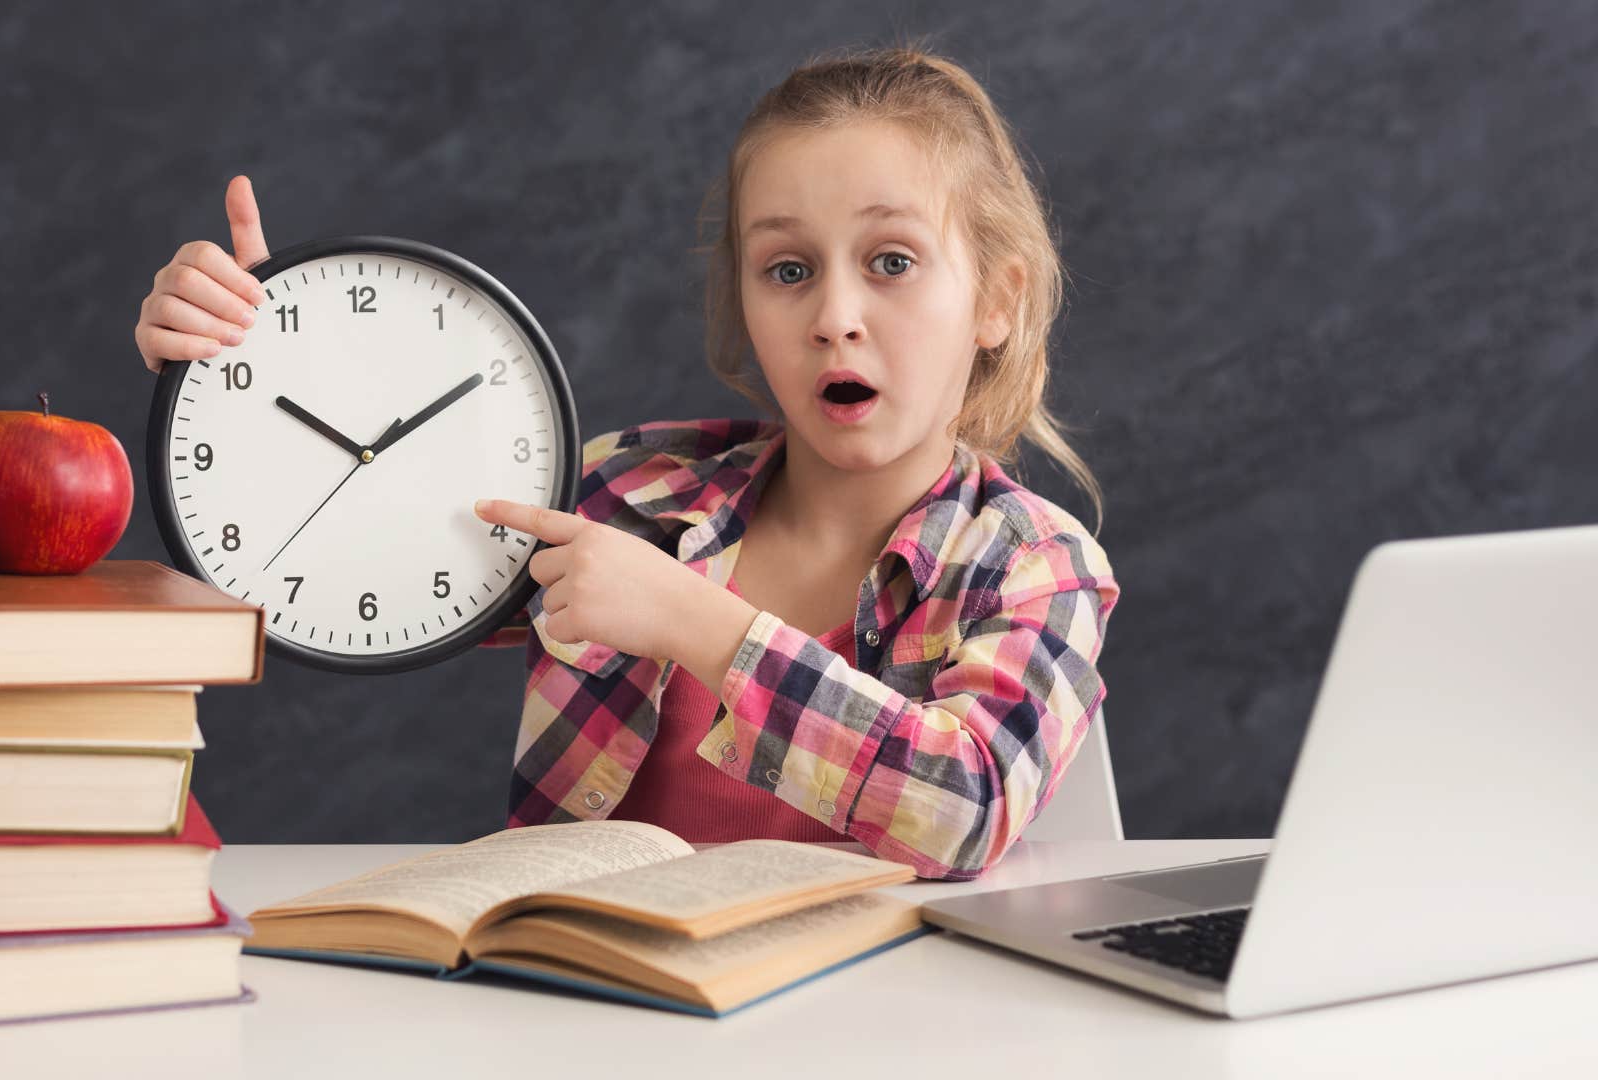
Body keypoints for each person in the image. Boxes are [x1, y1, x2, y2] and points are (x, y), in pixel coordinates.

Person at [133, 44, 1119, 881]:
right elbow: (353, 579)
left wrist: (699, 624)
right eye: (787, 270)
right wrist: (245, 373)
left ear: (997, 299)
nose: (834, 319)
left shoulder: (1035, 564)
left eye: (891, 262)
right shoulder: (631, 496)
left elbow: (972, 807)